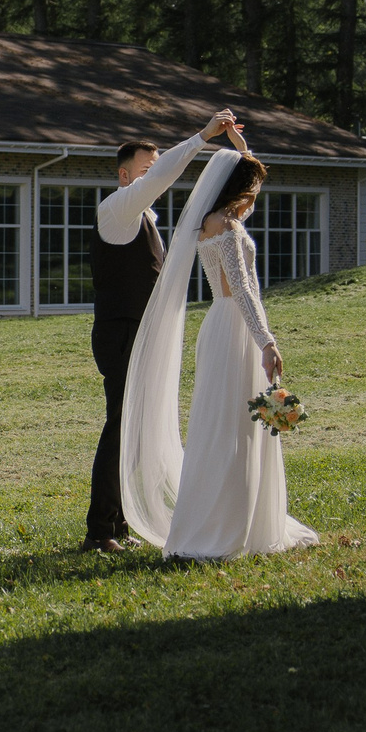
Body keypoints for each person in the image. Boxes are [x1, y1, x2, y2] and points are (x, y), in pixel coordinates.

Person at [118, 142, 320, 561]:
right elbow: (243, 288)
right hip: (234, 328)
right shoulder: (225, 227)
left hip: (221, 324)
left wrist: (241, 147)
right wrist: (266, 340)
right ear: (240, 191)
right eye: (252, 192)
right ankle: (226, 527)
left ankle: (235, 516)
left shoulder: (210, 222)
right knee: (235, 424)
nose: (254, 202)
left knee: (229, 422)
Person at [81, 108, 239, 552]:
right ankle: (100, 530)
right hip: (122, 334)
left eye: (156, 165)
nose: (156, 175)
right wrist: (201, 138)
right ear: (124, 174)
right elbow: (163, 176)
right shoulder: (116, 210)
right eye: (147, 168)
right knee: (120, 424)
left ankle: (121, 522)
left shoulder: (147, 220)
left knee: (138, 427)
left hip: (143, 334)